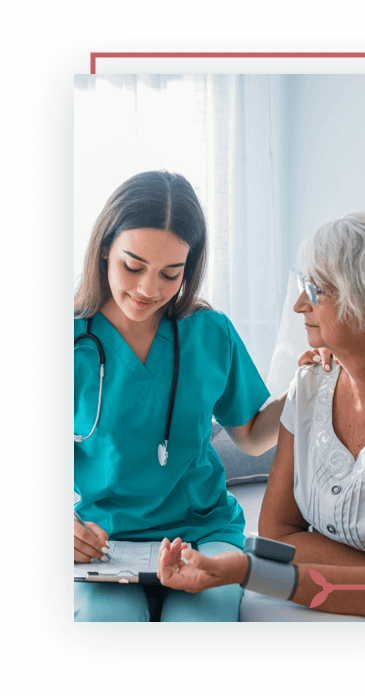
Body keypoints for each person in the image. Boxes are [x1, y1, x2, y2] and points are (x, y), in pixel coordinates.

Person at [157, 212, 365, 622]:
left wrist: (253, 570)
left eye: (316, 290)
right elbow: (278, 535)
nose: (299, 304)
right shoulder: (310, 386)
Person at [74, 171, 288, 622]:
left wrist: (307, 388)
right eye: (133, 267)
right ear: (105, 250)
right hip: (107, 538)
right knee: (104, 626)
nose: (149, 290)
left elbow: (249, 437)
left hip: (202, 532)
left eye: (171, 274)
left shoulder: (209, 333)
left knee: (196, 631)